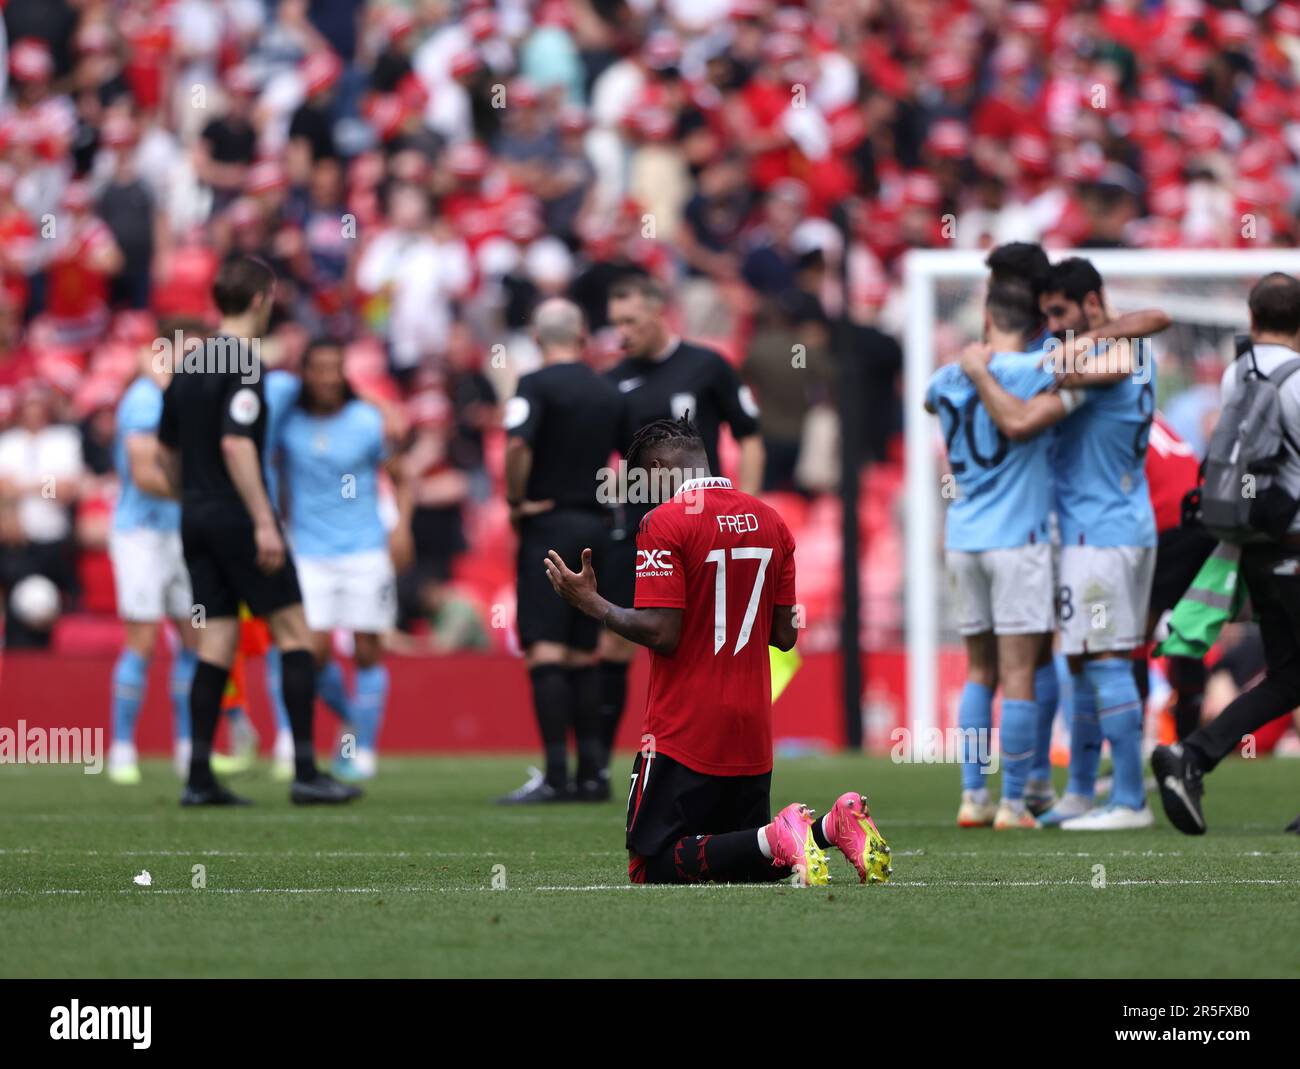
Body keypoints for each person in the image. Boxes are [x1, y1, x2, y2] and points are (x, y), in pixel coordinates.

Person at [544, 415, 890, 886]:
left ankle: (785, 836)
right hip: (751, 729)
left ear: (662, 467)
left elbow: (663, 631)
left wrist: (592, 603)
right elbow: (785, 635)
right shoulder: (772, 519)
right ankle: (831, 826)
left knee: (650, 866)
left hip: (684, 730)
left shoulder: (664, 523)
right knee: (748, 855)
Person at [962, 257, 1161, 831]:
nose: (1051, 325)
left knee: (1104, 659)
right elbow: (1146, 327)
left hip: (1100, 535)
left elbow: (1027, 416)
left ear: (1092, 305)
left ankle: (1128, 800)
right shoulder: (1117, 345)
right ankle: (1079, 789)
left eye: (1058, 312)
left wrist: (999, 369)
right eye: (1045, 313)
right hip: (1113, 525)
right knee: (1080, 657)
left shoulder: (1106, 355)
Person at [155, 254, 358, 806]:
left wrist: (189, 498)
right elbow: (236, 442)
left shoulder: (189, 363)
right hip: (238, 515)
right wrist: (263, 520)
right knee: (293, 632)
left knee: (216, 640)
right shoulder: (244, 362)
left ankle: (199, 777)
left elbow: (165, 449)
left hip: (194, 517)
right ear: (259, 300)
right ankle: (305, 773)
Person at [597, 274, 764, 783]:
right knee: (617, 643)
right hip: (642, 526)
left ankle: (714, 752)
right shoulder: (613, 381)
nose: (621, 332)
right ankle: (599, 768)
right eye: (615, 323)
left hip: (706, 524)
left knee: (707, 639)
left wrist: (746, 507)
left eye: (630, 321)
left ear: (659, 312)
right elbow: (605, 461)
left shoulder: (708, 365)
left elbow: (749, 435)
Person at [1153, 273, 1300, 835]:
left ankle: (1192, 755)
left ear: (1252, 317)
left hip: (1255, 547)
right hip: (1293, 541)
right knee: (1289, 676)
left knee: (1288, 678)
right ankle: (1194, 753)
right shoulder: (1294, 377)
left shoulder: (1241, 369)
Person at [927, 278, 1058, 830]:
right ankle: (1015, 803)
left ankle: (972, 795)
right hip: (1016, 539)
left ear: (986, 319)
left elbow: (929, 400)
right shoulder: (1035, 371)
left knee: (979, 669)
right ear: (1035, 327)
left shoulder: (944, 377)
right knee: (1020, 670)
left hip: (963, 538)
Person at [499, 298, 622, 804]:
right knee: (581, 652)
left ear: (535, 333)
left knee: (546, 650)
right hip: (596, 525)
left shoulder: (533, 385)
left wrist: (516, 500)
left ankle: (554, 774)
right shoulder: (607, 390)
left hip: (548, 524)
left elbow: (516, 445)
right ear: (583, 333)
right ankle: (592, 773)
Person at [279, 338, 411, 782]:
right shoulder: (288, 422)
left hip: (365, 549)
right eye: (319, 368)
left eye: (336, 368)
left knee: (367, 650)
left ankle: (363, 749)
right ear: (306, 373)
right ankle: (355, 718)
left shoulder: (366, 421)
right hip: (308, 552)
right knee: (311, 653)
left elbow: (401, 475)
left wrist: (402, 526)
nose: (328, 377)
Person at [105, 324, 200, 784]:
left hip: (182, 531)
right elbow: (145, 475)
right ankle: (122, 747)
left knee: (193, 638)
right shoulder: (145, 399)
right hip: (142, 533)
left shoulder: (189, 398)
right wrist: (204, 494)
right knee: (142, 640)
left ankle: (187, 746)